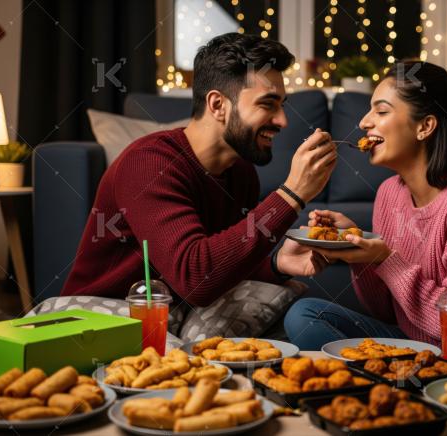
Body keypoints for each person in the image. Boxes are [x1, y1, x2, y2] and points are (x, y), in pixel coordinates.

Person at [61, 33, 337, 312]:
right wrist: (291, 194)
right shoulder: (148, 163)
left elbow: (219, 272)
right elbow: (194, 279)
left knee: (286, 301)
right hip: (102, 315)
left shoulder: (240, 172)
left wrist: (276, 265)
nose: (282, 121)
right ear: (218, 105)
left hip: (175, 310)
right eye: (268, 104)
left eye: (282, 105)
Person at [284, 61, 447, 350]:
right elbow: (385, 313)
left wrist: (387, 259)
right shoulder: (389, 194)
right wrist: (361, 250)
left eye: (381, 110)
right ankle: (389, 382)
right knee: (304, 314)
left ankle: (386, 383)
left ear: (425, 126)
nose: (364, 122)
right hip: (415, 343)